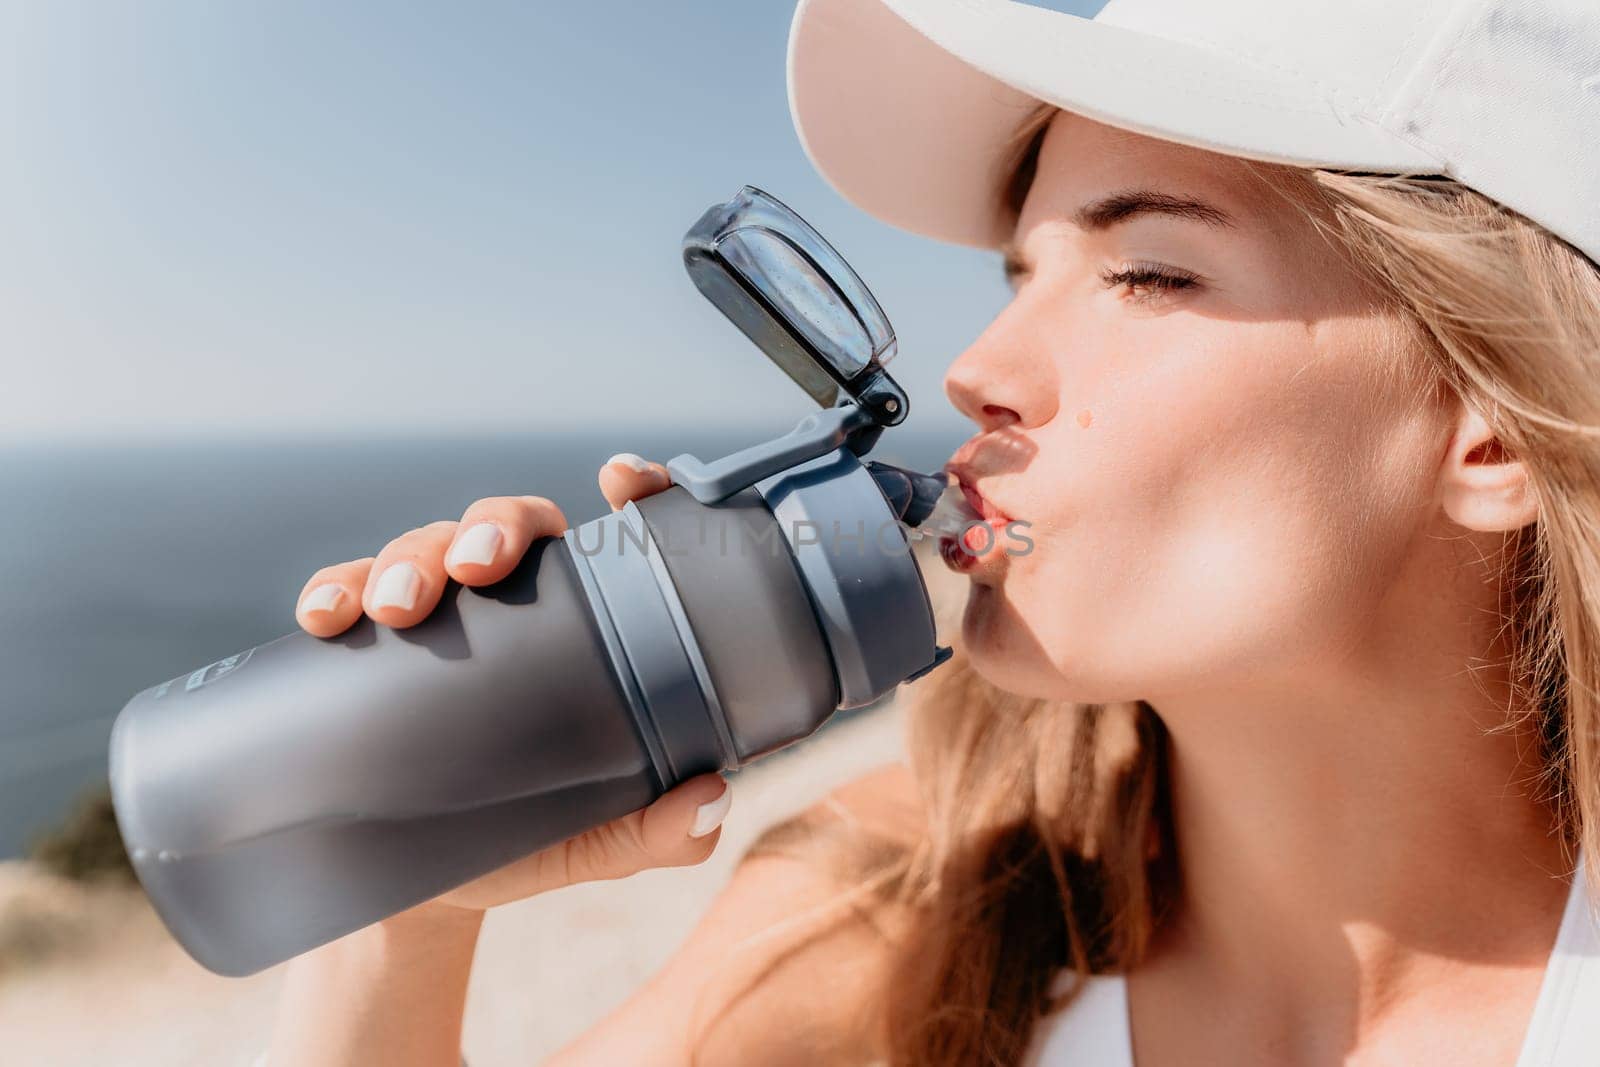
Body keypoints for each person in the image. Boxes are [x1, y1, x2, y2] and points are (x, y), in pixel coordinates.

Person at [262, 1, 1600, 1063]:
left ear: (1484, 429)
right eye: (1022, 275)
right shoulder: (902, 909)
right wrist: (403, 916)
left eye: (1149, 272)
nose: (979, 366)